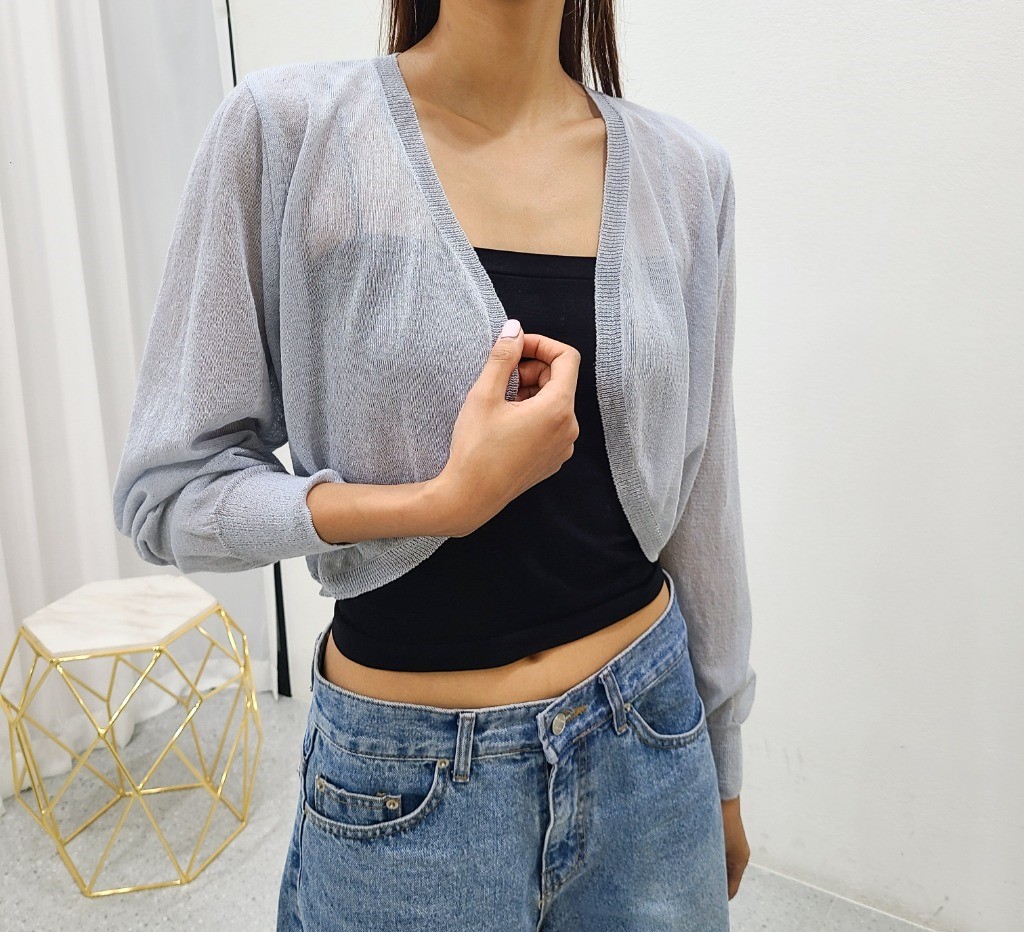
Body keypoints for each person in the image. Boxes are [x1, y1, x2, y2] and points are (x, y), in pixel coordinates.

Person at [112, 1, 757, 928]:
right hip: (402, 793)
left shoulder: (687, 174)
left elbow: (705, 502)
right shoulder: (289, 133)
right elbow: (169, 495)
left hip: (649, 746)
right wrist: (439, 502)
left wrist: (720, 765)